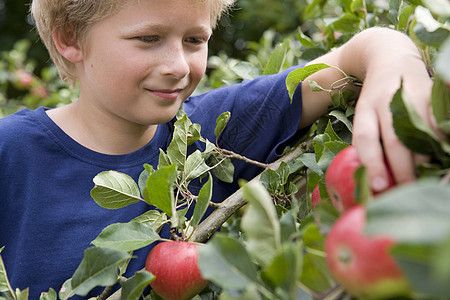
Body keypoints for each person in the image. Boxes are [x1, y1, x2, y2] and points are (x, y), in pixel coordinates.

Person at [0, 0, 435, 299]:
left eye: (194, 40)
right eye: (149, 38)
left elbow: (357, 54)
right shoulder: (12, 152)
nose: (178, 65)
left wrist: (398, 62)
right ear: (69, 38)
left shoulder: (212, 132)